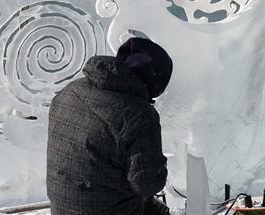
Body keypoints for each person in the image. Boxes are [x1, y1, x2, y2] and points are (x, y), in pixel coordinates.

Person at [47, 37, 174, 215]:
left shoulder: (70, 90)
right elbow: (146, 184)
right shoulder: (139, 114)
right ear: (154, 82)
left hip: (62, 206)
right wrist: (159, 166)